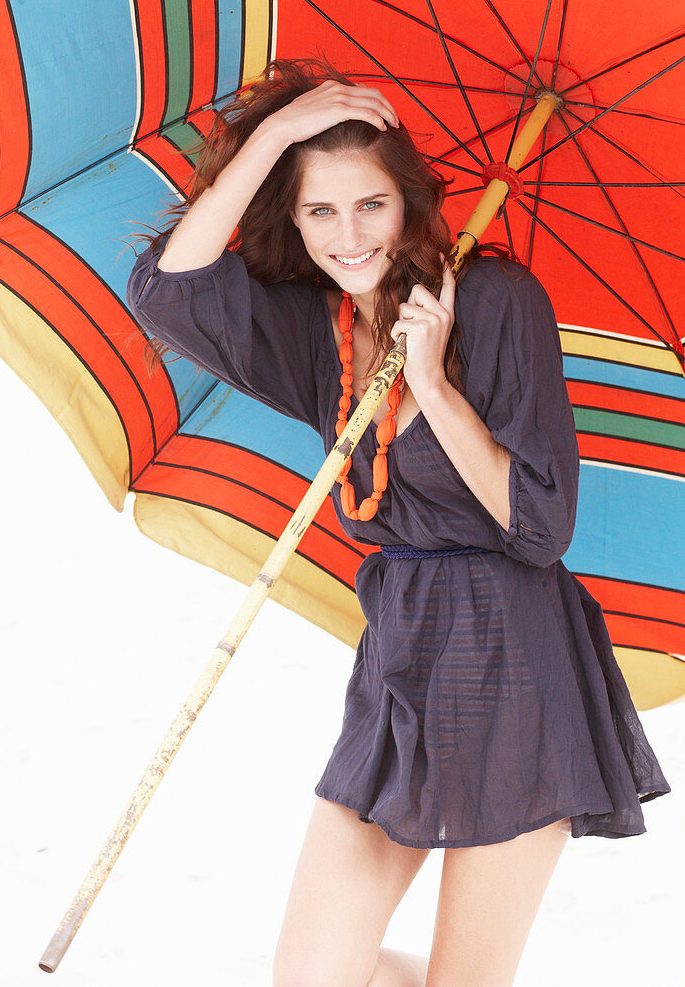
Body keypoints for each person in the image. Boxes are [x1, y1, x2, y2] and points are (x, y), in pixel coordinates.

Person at [125, 57, 671, 986]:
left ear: (411, 203)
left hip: (516, 665)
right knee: (312, 976)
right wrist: (276, 135)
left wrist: (430, 383)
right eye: (319, 211)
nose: (348, 234)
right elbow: (168, 290)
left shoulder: (497, 302)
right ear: (292, 222)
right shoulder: (318, 333)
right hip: (401, 662)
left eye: (370, 205)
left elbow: (540, 528)